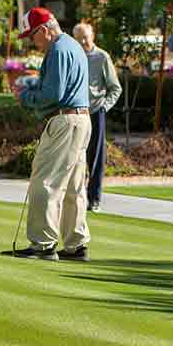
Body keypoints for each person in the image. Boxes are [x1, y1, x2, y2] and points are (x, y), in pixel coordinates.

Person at [13, 8, 91, 261]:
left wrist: (25, 96)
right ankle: (75, 245)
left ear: (44, 30)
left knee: (44, 182)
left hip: (65, 120)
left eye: (32, 36)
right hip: (82, 119)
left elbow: (53, 94)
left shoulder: (57, 49)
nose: (31, 42)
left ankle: (43, 245)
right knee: (73, 187)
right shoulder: (73, 45)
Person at [74, 22, 121, 212]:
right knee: (75, 157)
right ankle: (74, 198)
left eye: (85, 37)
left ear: (92, 35)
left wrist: (104, 107)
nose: (83, 41)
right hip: (76, 112)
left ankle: (94, 199)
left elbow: (115, 87)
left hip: (95, 112)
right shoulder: (73, 56)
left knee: (95, 158)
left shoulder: (101, 57)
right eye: (78, 38)